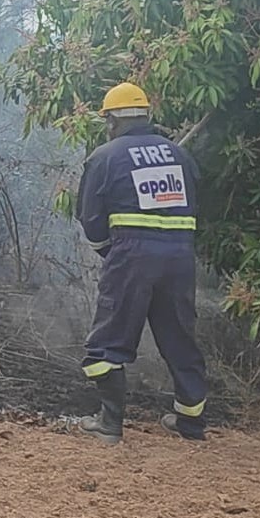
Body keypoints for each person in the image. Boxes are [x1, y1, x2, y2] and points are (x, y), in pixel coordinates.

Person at [74, 82, 208, 444]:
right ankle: (191, 423)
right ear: (147, 115)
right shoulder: (178, 156)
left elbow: (90, 219)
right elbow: (196, 209)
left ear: (114, 119)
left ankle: (109, 424)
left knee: (107, 342)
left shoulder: (106, 156)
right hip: (180, 256)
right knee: (179, 337)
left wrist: (111, 252)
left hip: (132, 257)